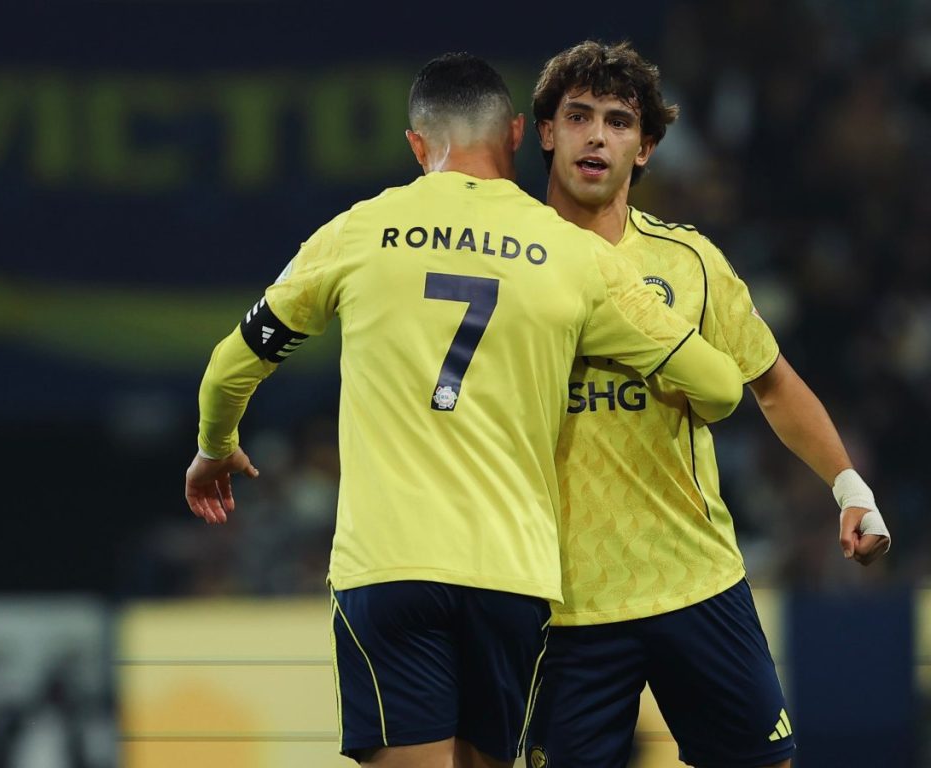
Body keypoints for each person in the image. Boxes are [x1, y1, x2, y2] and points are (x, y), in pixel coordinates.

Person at [184, 53, 743, 768]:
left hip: (389, 567)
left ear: (417, 145)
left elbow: (233, 363)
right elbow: (720, 387)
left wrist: (215, 446)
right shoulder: (577, 258)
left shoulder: (358, 232)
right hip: (512, 578)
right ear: (516, 135)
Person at [523, 40, 893, 768]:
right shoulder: (508, 262)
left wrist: (849, 488)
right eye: (578, 116)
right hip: (562, 603)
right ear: (546, 132)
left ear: (645, 148)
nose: (596, 136)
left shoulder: (688, 261)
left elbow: (773, 383)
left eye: (619, 122)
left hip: (694, 580)